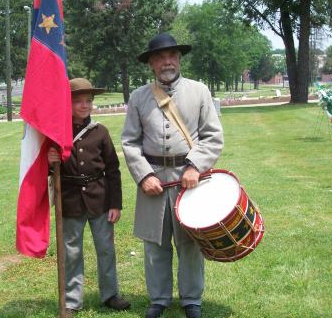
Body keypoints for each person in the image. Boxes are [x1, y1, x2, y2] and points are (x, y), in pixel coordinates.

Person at [121, 33, 224, 318]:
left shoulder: (199, 91)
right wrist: (144, 176)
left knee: (190, 242)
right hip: (153, 179)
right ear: (152, 64)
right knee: (155, 243)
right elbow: (130, 142)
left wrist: (194, 167)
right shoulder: (139, 97)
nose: (167, 61)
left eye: (172, 56)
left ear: (179, 59)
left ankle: (191, 300)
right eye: (160, 57)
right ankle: (159, 299)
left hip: (189, 180)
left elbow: (213, 137)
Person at [48, 78, 130, 318]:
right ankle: (72, 300)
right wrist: (49, 162)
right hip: (70, 200)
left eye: (89, 101)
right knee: (71, 252)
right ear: (68, 104)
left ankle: (110, 294)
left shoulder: (100, 131)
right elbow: (47, 171)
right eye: (78, 101)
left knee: (106, 249)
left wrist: (115, 203)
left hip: (100, 199)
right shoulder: (57, 134)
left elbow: (113, 169)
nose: (85, 106)